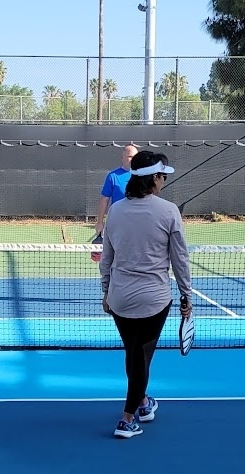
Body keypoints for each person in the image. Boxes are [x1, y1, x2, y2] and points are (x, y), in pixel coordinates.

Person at [99, 150, 193, 439]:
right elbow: (180, 259)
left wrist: (106, 291)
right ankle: (127, 418)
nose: (164, 180)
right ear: (153, 178)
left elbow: (107, 258)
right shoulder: (169, 211)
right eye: (162, 175)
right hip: (154, 301)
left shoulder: (115, 210)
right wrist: (186, 295)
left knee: (134, 353)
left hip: (120, 298)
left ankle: (142, 401)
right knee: (142, 357)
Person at [94, 144, 139, 239]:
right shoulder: (112, 176)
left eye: (135, 157)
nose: (133, 159)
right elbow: (104, 200)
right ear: (122, 157)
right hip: (118, 223)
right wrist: (99, 222)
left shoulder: (142, 176)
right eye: (130, 156)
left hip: (137, 222)